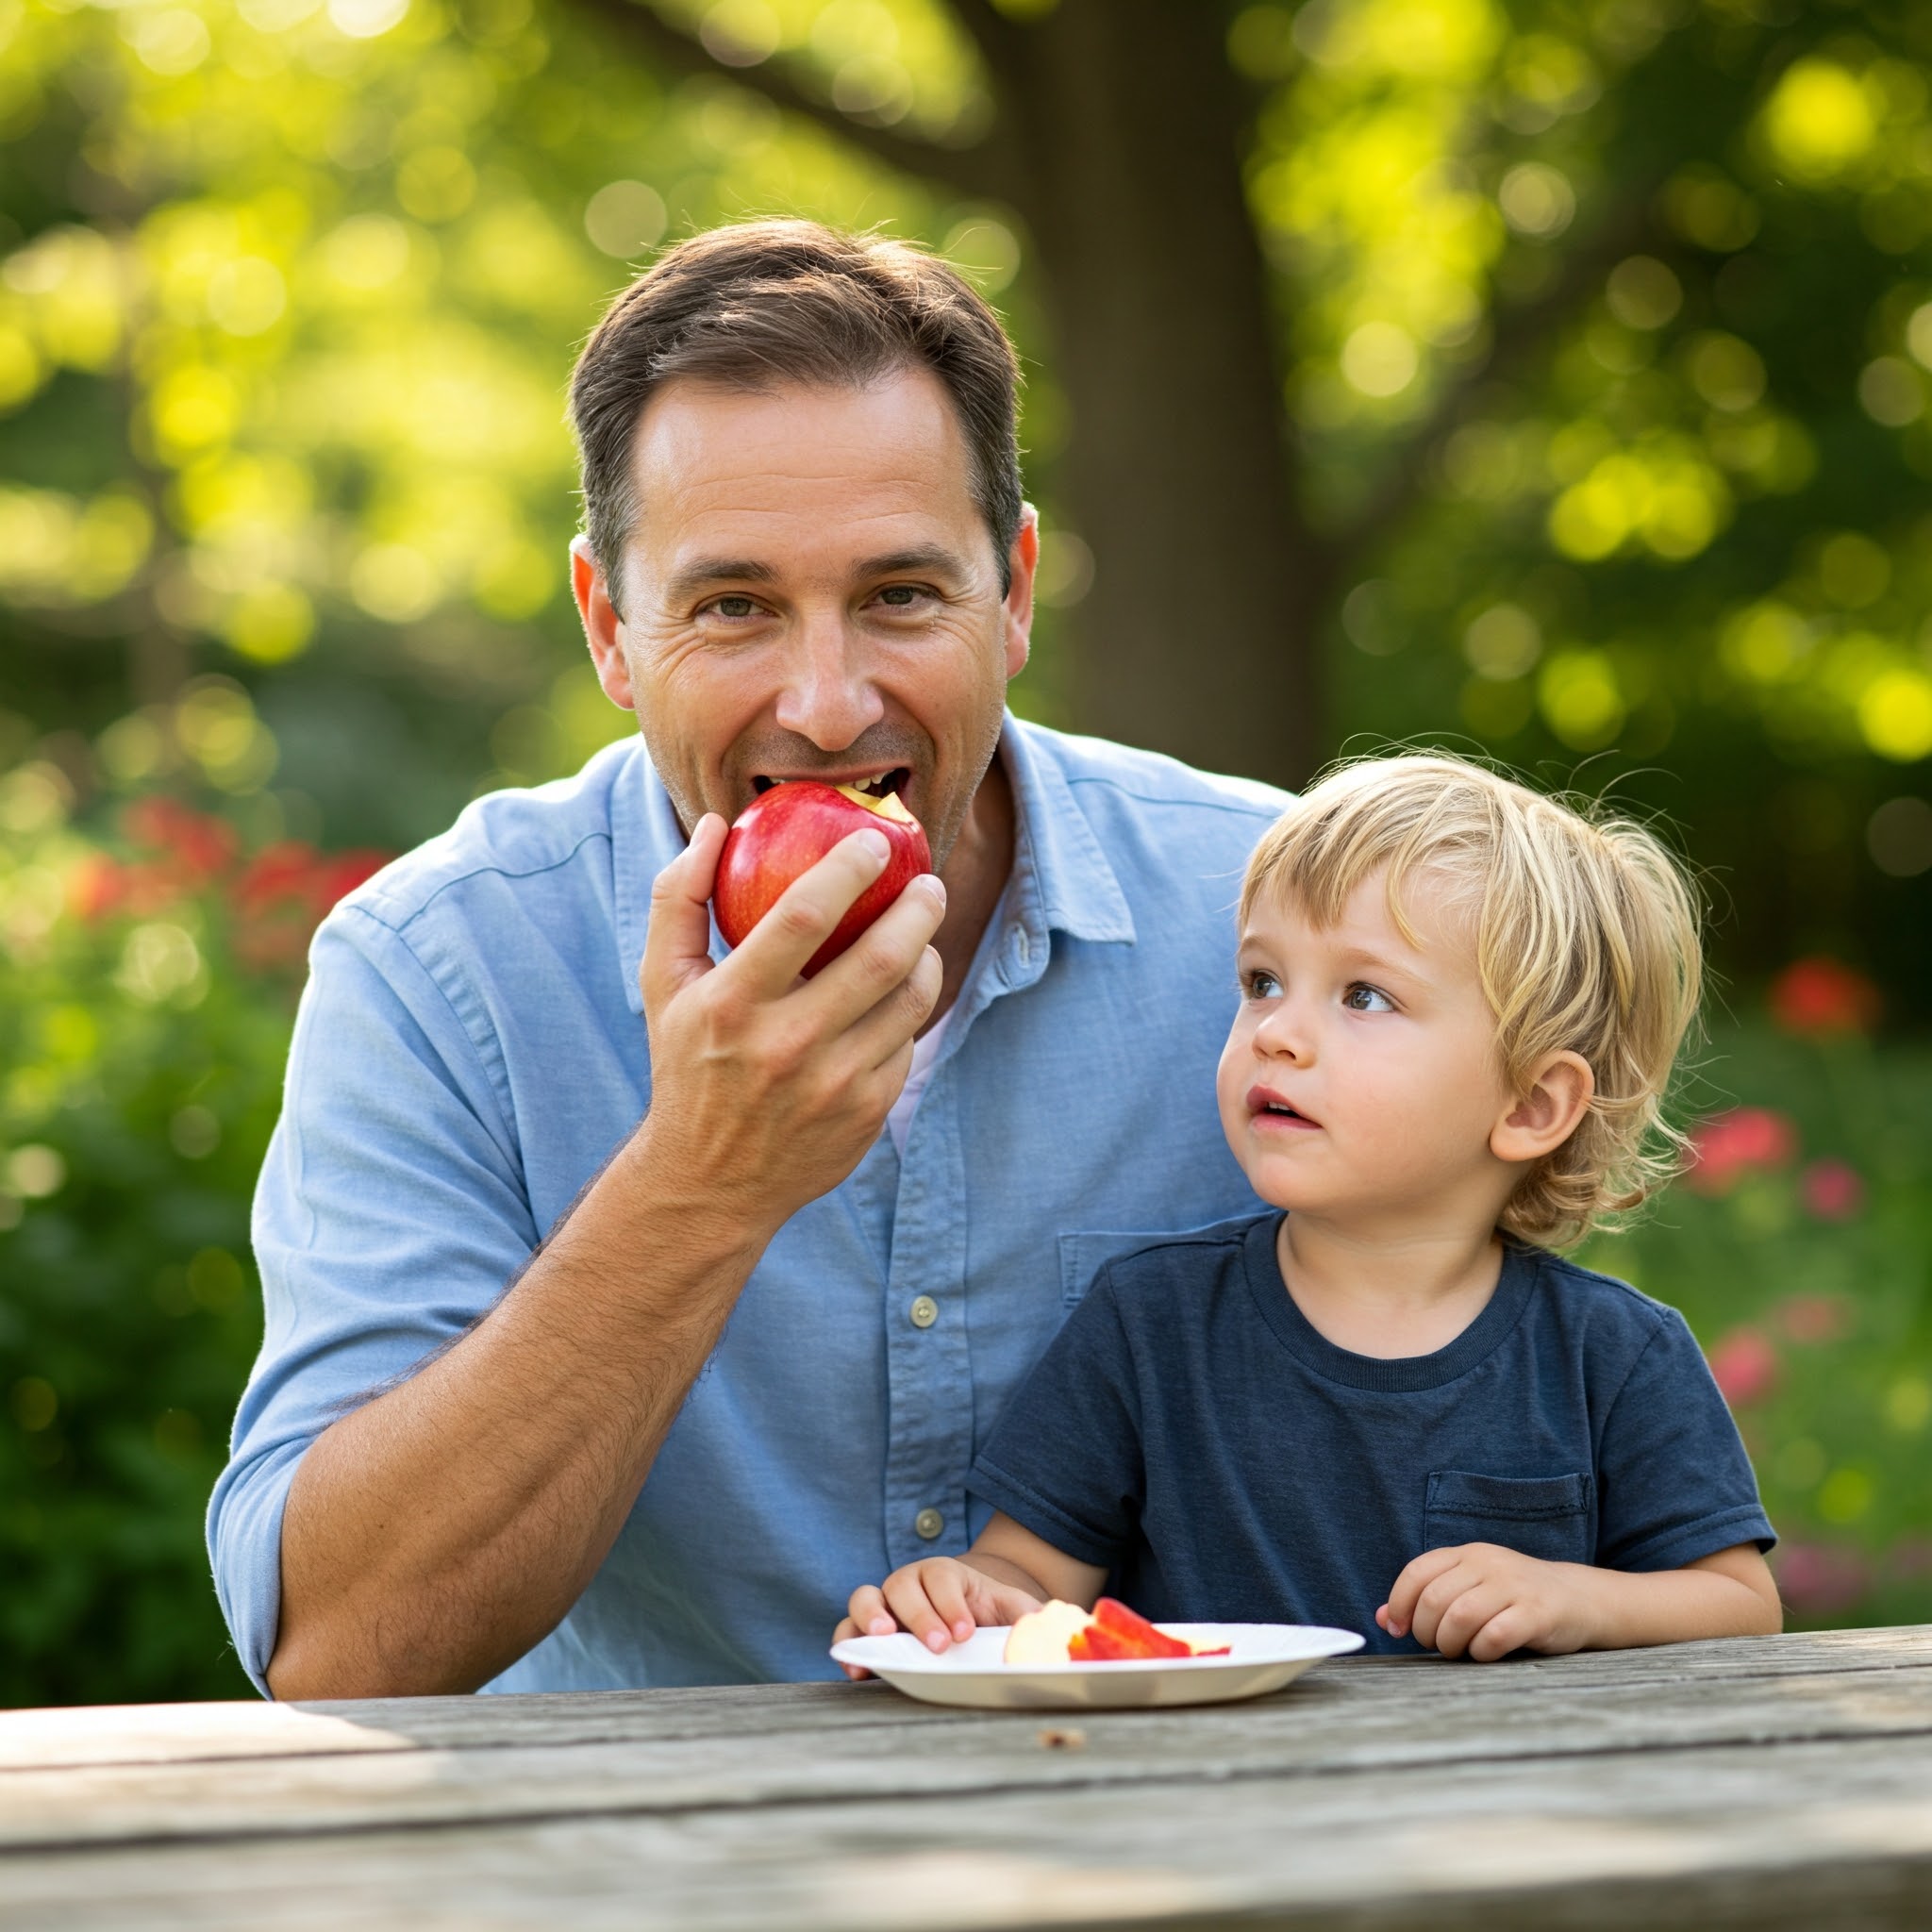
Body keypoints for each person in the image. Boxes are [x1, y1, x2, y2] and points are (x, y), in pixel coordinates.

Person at [208, 221, 1288, 1698]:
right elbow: (341, 1654)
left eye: (903, 596)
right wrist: (700, 1180)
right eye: (734, 608)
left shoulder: (1275, 921)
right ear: (609, 625)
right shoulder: (438, 970)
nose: (831, 707)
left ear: (1016, 590)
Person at [840, 755, 1781, 1663]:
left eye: (1363, 995)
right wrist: (970, 1596)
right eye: (1261, 981)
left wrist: (1574, 1594)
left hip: (1504, 1806)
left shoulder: (1610, 1354)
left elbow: (1739, 1604)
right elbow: (1029, 1573)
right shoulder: (1148, 1325)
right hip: (1211, 1796)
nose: (1277, 1032)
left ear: (1529, 1105)